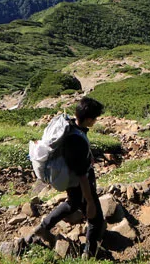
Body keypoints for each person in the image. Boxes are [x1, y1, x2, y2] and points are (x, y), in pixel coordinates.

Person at [31, 97, 106, 257]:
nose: (96, 121)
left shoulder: (70, 125)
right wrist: (90, 201)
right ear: (88, 119)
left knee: (73, 203)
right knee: (96, 218)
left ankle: (44, 226)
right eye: (95, 118)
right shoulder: (76, 142)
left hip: (69, 177)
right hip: (78, 180)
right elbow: (82, 176)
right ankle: (90, 254)